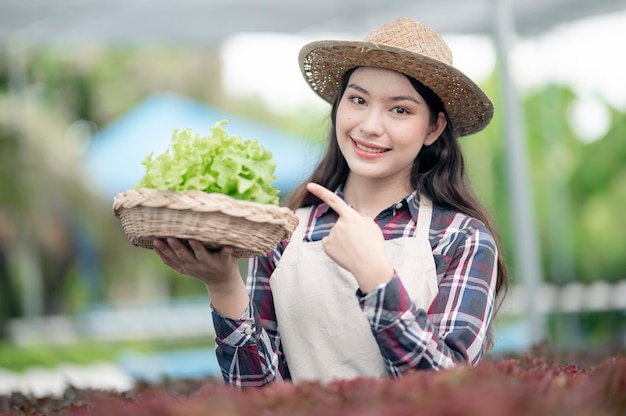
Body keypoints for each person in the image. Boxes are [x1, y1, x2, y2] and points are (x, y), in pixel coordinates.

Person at [153, 17, 508, 386]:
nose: (370, 125)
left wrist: (377, 277)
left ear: (433, 128)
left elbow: (446, 390)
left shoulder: (461, 238)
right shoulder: (283, 232)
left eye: (400, 109)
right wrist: (224, 285)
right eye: (358, 99)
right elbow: (257, 396)